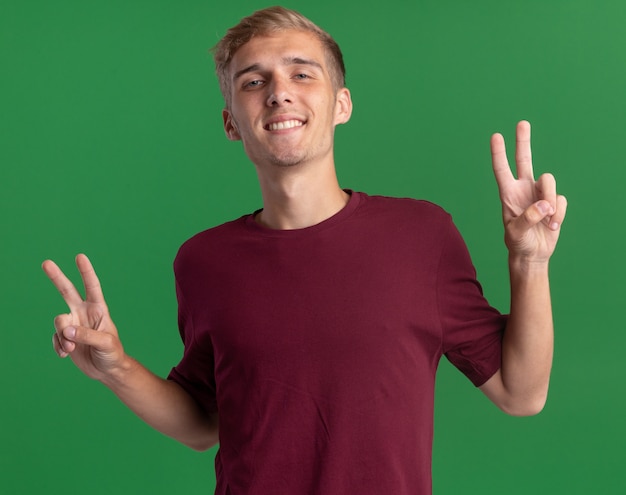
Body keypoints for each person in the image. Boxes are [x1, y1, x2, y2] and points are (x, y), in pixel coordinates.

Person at [43, 6, 567, 495]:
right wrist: (117, 368)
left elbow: (522, 394)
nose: (278, 93)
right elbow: (205, 423)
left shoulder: (422, 235)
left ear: (341, 104)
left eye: (301, 73)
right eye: (253, 82)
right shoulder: (203, 262)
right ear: (231, 122)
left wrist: (530, 262)